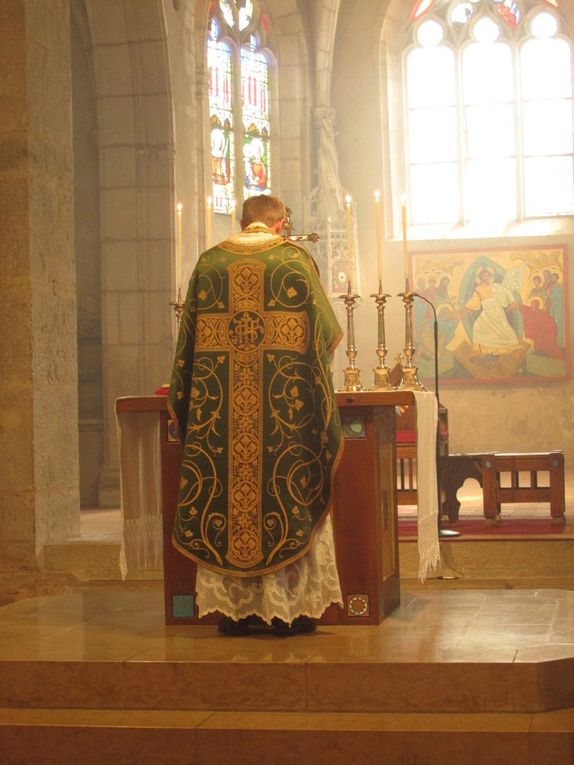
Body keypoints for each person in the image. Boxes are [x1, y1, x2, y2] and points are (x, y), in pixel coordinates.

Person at [168, 194, 344, 637]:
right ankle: (291, 611)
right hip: (283, 418)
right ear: (280, 223)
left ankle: (235, 613)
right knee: (285, 495)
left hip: (221, 420)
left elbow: (186, 353)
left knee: (226, 503)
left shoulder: (210, 264)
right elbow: (323, 336)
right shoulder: (293, 262)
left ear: (241, 221)